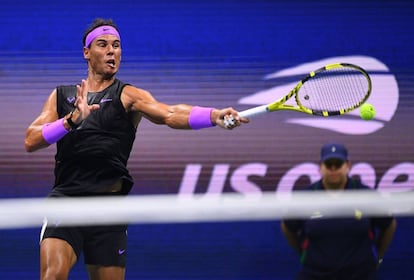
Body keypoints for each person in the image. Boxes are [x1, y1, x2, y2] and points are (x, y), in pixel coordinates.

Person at [24, 18, 248, 280]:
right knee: (52, 276)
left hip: (109, 208)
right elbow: (31, 140)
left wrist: (213, 115)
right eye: (103, 44)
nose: (112, 51)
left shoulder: (129, 95)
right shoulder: (61, 96)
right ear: (87, 52)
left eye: (117, 45)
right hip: (66, 202)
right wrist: (70, 121)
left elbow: (169, 113)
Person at [280, 143, 397, 280]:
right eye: (329, 165)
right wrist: (304, 254)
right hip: (315, 274)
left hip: (361, 275)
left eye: (338, 164)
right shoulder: (306, 197)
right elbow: (287, 227)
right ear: (321, 167)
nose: (333, 169)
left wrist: (378, 257)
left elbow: (389, 225)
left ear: (348, 165)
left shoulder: (366, 195)